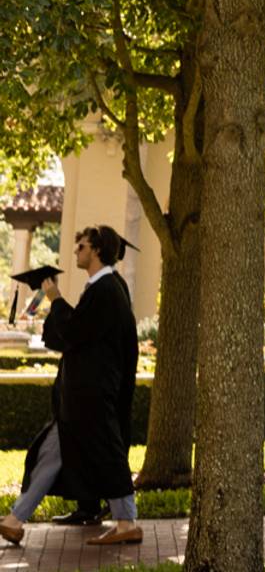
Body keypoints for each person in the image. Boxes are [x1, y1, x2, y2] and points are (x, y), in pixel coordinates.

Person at [1, 226, 142, 546]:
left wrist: (55, 298)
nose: (76, 250)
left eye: (81, 245)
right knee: (52, 452)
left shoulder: (106, 288)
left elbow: (76, 332)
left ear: (96, 250)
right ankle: (14, 519)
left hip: (91, 395)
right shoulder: (102, 287)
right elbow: (80, 334)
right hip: (81, 395)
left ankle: (127, 521)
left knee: (108, 451)